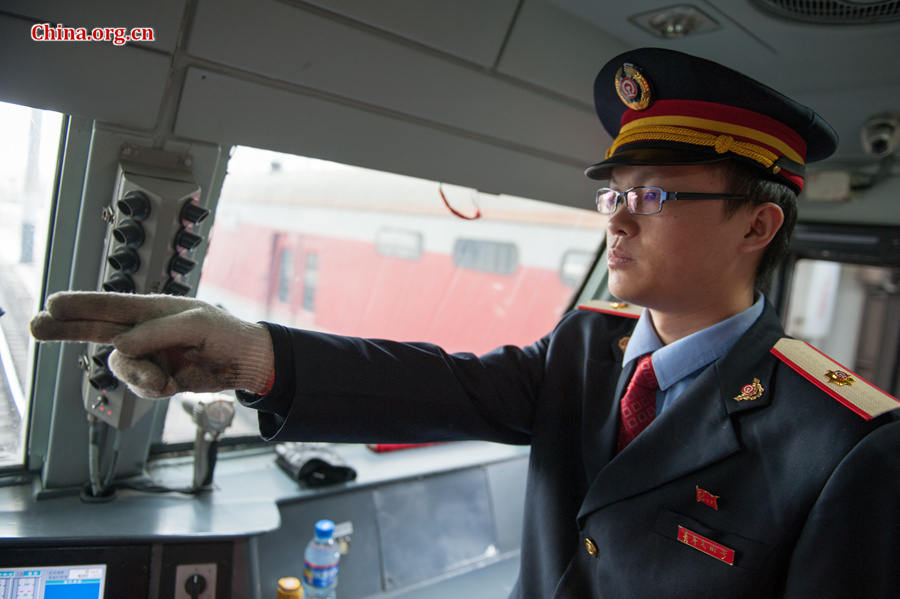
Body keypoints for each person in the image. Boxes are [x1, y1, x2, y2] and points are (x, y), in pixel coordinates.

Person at [30, 48, 900, 598]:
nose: (619, 219)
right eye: (615, 192)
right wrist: (252, 354)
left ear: (757, 223)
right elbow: (437, 382)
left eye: (657, 194)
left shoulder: (844, 440)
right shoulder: (586, 346)